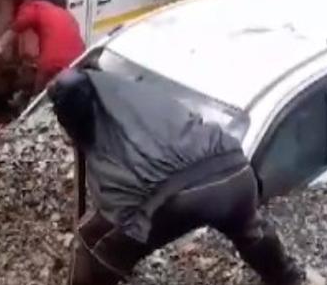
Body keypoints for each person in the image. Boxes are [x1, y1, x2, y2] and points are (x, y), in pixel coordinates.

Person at [47, 68, 305, 285]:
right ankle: (287, 277)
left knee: (94, 242)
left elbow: (123, 196)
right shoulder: (136, 96)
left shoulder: (96, 126)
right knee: (250, 230)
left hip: (178, 197)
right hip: (233, 168)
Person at [0, 0, 85, 92]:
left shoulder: (36, 7)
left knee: (40, 95)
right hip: (79, 60)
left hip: (53, 63)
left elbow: (20, 23)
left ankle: (34, 101)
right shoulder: (67, 15)